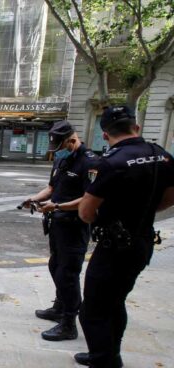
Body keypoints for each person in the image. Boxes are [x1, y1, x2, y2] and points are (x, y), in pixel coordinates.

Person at [75, 105, 174, 367]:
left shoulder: (111, 162)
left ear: (105, 135)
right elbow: (167, 201)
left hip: (113, 247)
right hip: (142, 241)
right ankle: (109, 353)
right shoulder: (162, 156)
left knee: (93, 309)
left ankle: (103, 361)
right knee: (116, 302)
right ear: (136, 127)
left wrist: (107, 220)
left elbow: (85, 212)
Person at [23, 120, 97, 341]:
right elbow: (52, 188)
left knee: (68, 273)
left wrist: (57, 206)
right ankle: (59, 306)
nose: (59, 152)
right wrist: (34, 199)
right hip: (57, 225)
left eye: (62, 147)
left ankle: (69, 323)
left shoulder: (90, 163)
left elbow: (88, 198)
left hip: (75, 226)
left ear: (73, 140)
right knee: (55, 265)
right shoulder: (61, 159)